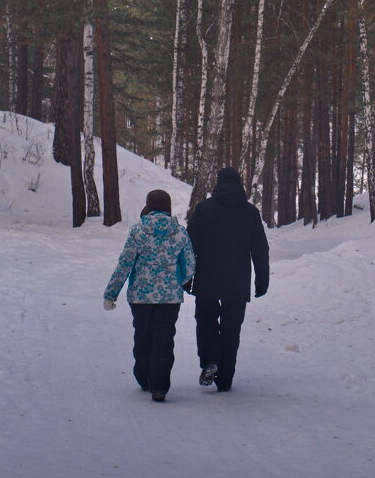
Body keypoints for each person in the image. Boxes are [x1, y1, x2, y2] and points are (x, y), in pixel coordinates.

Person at [104, 189, 195, 402]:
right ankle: (160, 387)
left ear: (148, 206)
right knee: (164, 339)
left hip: (141, 297)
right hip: (170, 298)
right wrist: (177, 281)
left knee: (143, 336)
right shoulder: (180, 233)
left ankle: (144, 378)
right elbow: (190, 265)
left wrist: (111, 293)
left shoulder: (138, 232)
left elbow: (125, 264)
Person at [186, 166, 269, 393]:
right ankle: (225, 379)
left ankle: (210, 360)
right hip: (237, 281)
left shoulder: (204, 209)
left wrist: (186, 277)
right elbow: (260, 248)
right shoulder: (250, 212)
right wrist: (262, 278)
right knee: (232, 328)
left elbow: (189, 244)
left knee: (205, 321)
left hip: (207, 279)